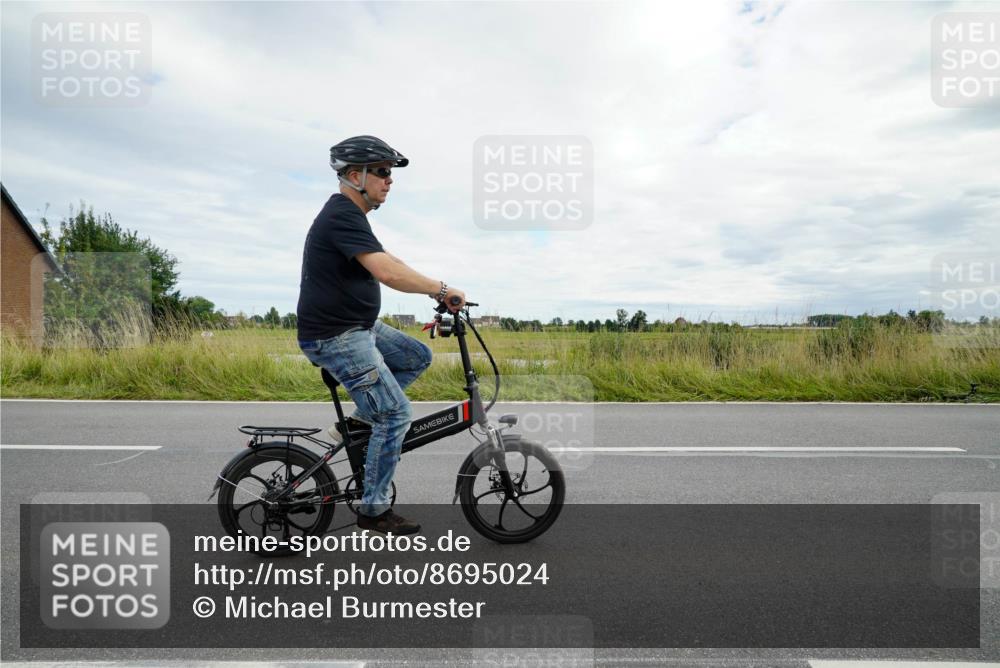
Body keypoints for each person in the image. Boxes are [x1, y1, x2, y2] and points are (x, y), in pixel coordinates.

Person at [296, 136, 465, 536]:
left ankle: (358, 425)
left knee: (415, 357)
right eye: (383, 172)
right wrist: (440, 290)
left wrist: (441, 292)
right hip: (337, 336)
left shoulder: (352, 217)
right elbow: (387, 274)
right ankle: (373, 510)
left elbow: (390, 261)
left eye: (390, 173)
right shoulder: (340, 214)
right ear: (356, 176)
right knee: (396, 414)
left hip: (357, 328)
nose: (390, 181)